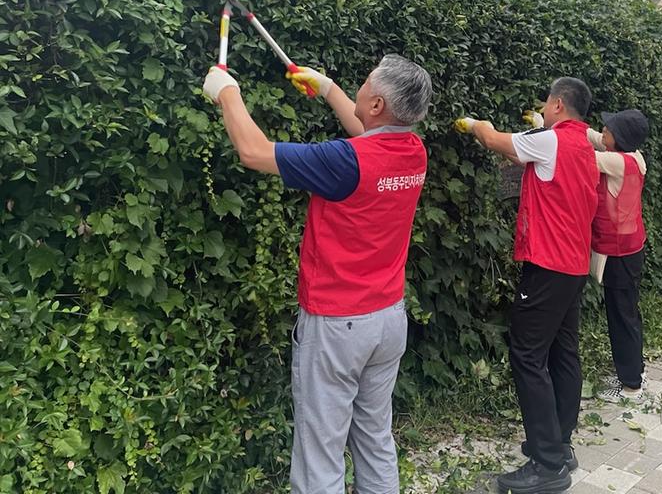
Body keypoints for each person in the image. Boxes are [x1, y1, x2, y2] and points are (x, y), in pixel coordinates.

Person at [201, 55, 432, 494]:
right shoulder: (413, 151)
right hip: (387, 319)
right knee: (375, 439)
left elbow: (253, 152)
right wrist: (327, 88)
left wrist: (226, 92)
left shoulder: (346, 161)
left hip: (337, 326)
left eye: (364, 83)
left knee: (319, 455)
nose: (359, 88)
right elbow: (370, 134)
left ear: (379, 103)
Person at [455, 78, 598, 494]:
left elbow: (498, 141)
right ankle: (560, 444)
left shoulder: (551, 142)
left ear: (557, 104)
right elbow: (545, 153)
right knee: (563, 351)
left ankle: (548, 463)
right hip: (573, 264)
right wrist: (538, 126)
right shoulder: (582, 144)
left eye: (545, 105)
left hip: (548, 264)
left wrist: (474, 124)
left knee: (527, 354)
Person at [587, 109, 650, 404]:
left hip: (620, 250)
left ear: (620, 138)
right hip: (631, 246)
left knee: (621, 315)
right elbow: (594, 139)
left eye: (609, 128)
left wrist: (546, 130)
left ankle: (630, 387)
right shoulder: (635, 157)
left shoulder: (615, 162)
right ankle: (635, 369)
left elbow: (578, 154)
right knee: (628, 312)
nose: (602, 130)